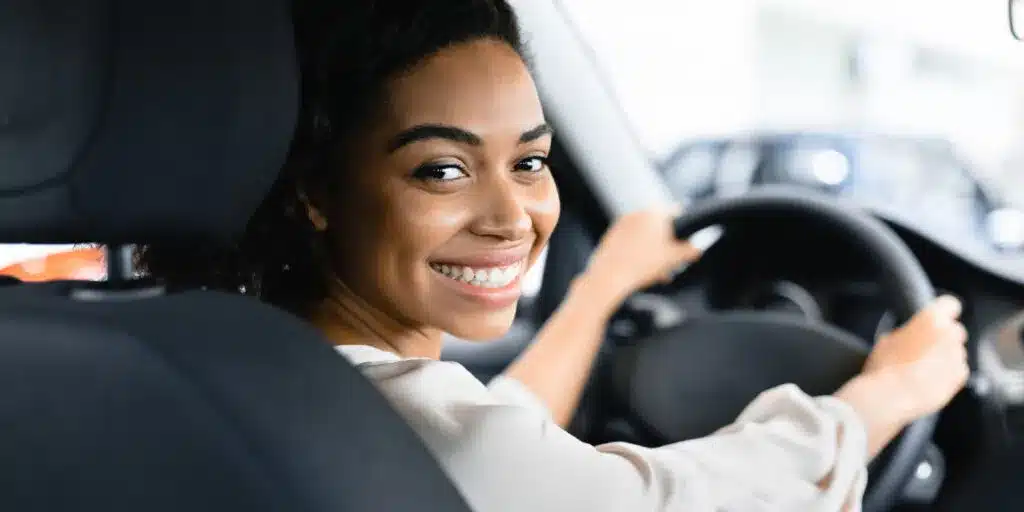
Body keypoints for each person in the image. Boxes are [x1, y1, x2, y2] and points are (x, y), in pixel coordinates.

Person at [137, 0, 970, 510]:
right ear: (313, 190)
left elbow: (498, 452)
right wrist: (885, 396)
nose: (513, 218)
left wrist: (597, 291)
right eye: (443, 169)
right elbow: (674, 501)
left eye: (531, 162)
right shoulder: (396, 432)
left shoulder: (215, 365)